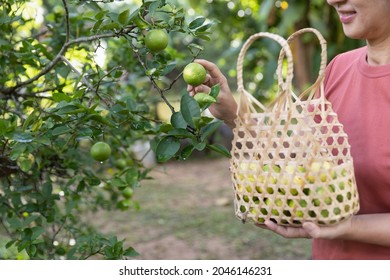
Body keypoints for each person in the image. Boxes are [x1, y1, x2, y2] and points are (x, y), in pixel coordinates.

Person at [187, 0, 390, 260]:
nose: (333, 1)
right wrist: (233, 115)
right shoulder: (338, 68)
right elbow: (298, 162)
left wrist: (348, 227)